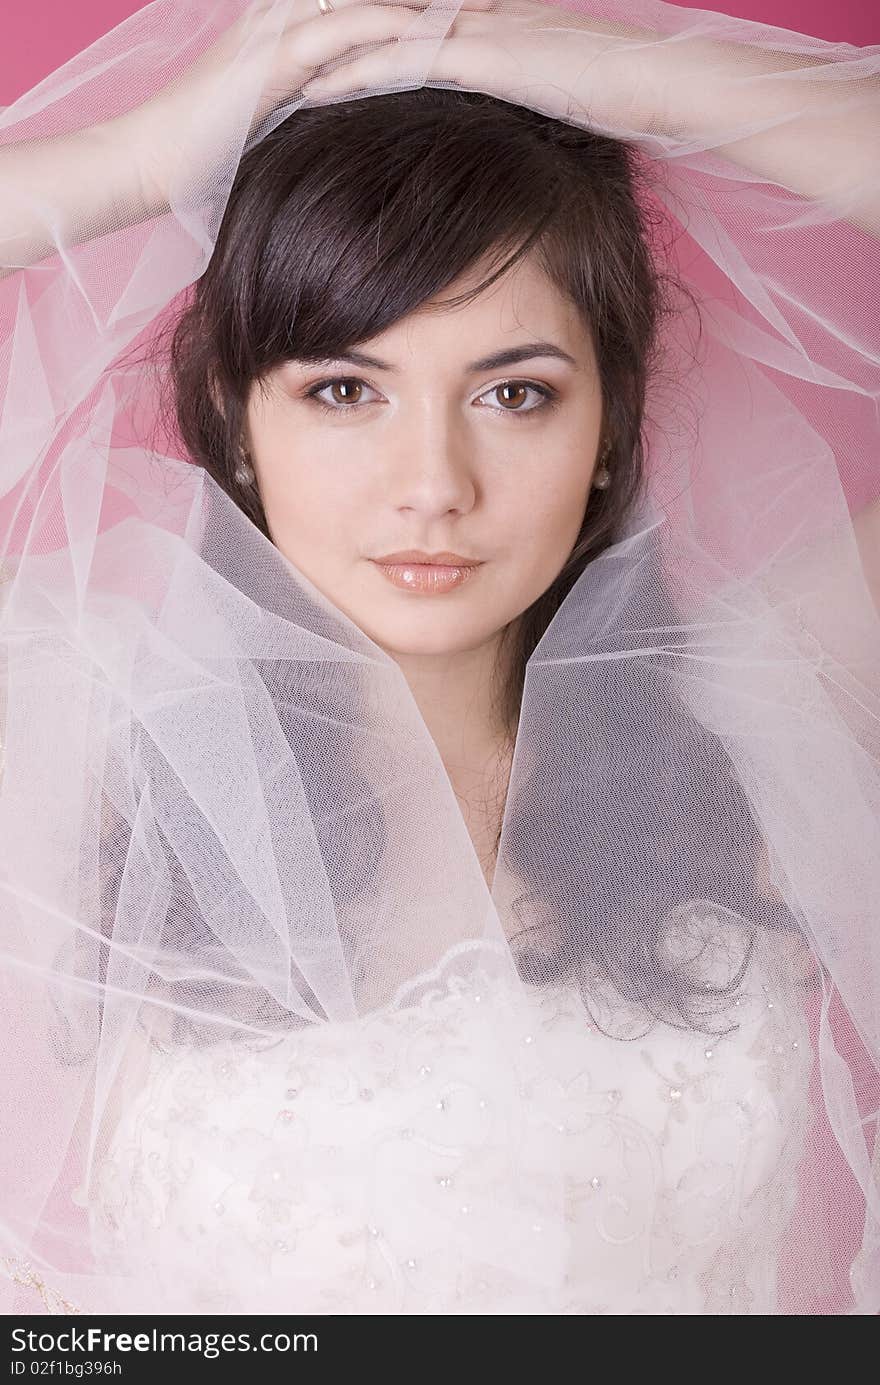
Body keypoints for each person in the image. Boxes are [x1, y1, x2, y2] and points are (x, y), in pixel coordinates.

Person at [0, 0, 878, 1315]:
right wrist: (135, 162)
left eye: (514, 391)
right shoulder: (83, 739)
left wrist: (639, 84)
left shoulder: (764, 708)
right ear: (237, 422)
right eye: (344, 389)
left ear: (608, 424)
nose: (432, 485)